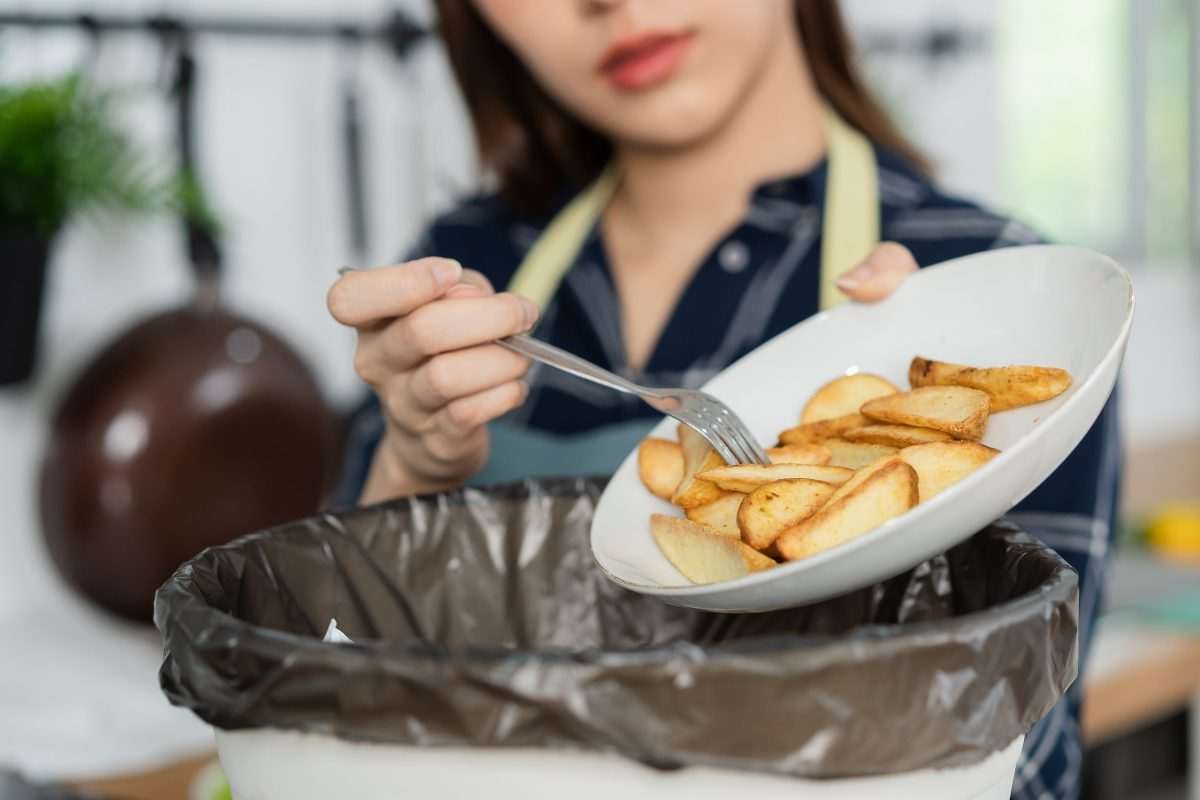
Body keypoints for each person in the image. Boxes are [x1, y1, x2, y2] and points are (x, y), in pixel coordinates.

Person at [328, 2, 1118, 798]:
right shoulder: (463, 276)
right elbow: (325, 702)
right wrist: (411, 470)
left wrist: (926, 528)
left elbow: (1033, 769)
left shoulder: (998, 294)